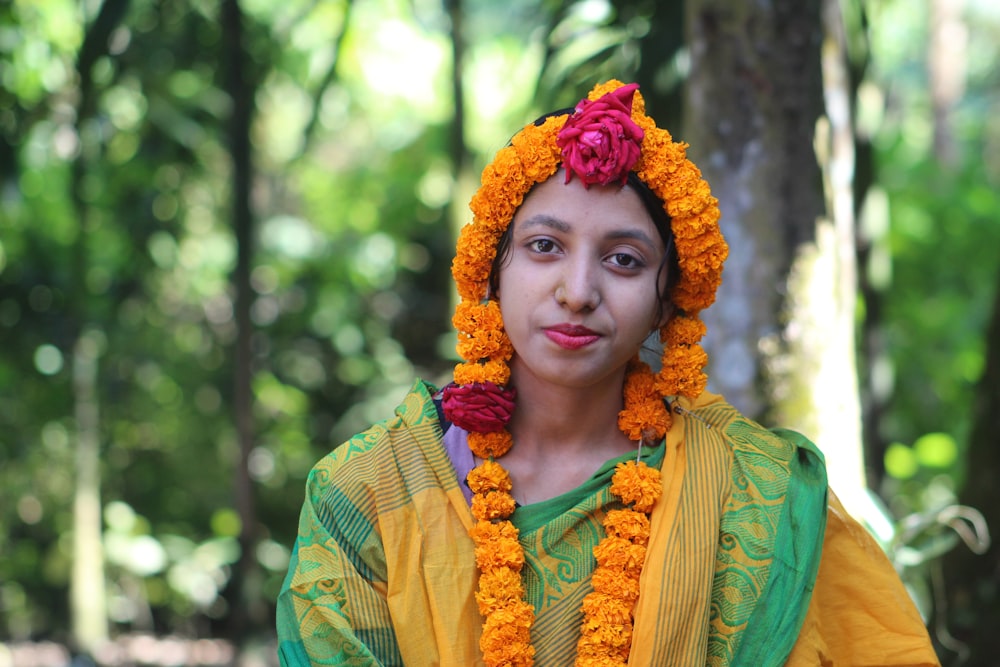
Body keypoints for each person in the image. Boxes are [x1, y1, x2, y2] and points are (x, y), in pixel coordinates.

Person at [276, 80, 939, 666]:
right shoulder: (366, 494)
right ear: (492, 268)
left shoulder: (753, 492)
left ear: (665, 301)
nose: (577, 290)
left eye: (623, 259)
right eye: (544, 247)